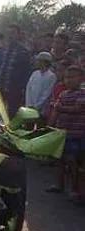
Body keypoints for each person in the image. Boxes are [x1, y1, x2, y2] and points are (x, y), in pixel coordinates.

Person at [46, 66, 85, 204]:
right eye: (66, 77)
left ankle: (75, 190)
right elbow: (55, 112)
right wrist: (50, 127)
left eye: (72, 77)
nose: (69, 80)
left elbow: (78, 109)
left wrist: (61, 108)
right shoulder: (63, 94)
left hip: (76, 135)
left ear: (81, 78)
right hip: (61, 134)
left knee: (73, 161)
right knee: (59, 160)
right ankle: (58, 184)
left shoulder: (82, 94)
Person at [0, 24, 32, 118]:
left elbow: (26, 74)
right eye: (8, 33)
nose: (10, 36)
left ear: (18, 35)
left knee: (12, 116)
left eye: (13, 33)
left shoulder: (23, 52)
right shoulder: (4, 50)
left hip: (15, 92)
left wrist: (22, 91)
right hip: (1, 89)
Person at [25, 52, 56, 118]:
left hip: (42, 110)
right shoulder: (35, 73)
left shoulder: (51, 76)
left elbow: (47, 93)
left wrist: (37, 106)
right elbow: (28, 89)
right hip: (29, 107)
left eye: (38, 61)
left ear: (44, 62)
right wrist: (29, 104)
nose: (36, 62)